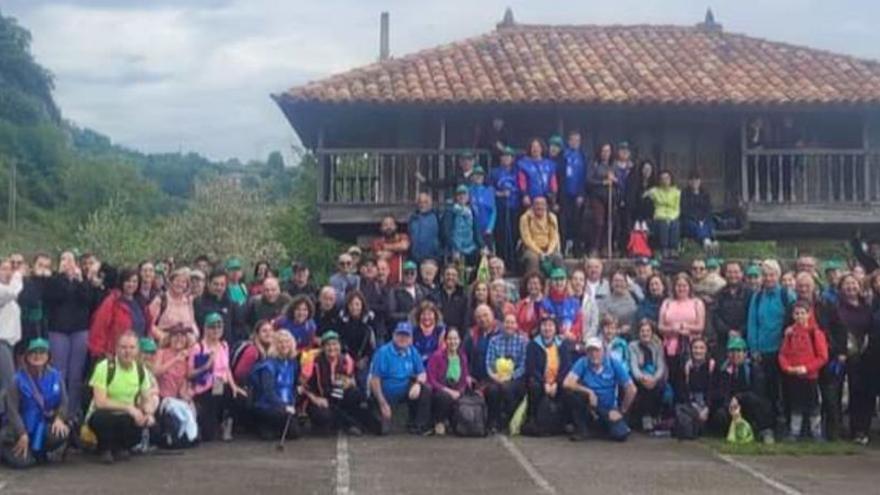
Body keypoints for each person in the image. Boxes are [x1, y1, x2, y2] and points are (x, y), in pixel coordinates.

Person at [87, 332, 157, 464]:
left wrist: (148, 413)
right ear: (116, 349)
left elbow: (146, 399)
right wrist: (128, 408)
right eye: (123, 347)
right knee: (103, 418)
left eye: (132, 348)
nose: (127, 352)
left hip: (126, 418)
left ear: (137, 350)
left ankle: (121, 447)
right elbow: (100, 402)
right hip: (105, 414)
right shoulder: (104, 367)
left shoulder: (141, 370)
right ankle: (105, 448)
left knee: (142, 422)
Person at [1, 338, 69, 468]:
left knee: (62, 431)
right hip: (16, 430)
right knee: (24, 463)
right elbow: (12, 411)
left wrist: (60, 418)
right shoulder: (17, 380)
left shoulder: (56, 376)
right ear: (27, 356)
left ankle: (38, 451)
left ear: (48, 356)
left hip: (41, 425)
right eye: (33, 352)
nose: (37, 356)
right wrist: (22, 433)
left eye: (42, 352)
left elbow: (64, 402)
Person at [44, 251, 97, 419]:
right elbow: (56, 296)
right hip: (58, 330)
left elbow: (88, 300)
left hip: (80, 330)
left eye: (71, 260)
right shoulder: (54, 280)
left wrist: (80, 280)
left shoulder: (83, 281)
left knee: (76, 375)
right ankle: (58, 410)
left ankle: (73, 412)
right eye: (64, 259)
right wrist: (61, 276)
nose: (67, 263)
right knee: (59, 373)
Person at [746, 259, 794, 429]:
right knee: (767, 391)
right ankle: (768, 425)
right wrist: (754, 349)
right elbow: (752, 324)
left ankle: (788, 424)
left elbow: (794, 320)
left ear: (778, 276)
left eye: (772, 274)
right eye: (765, 275)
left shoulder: (787, 295)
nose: (768, 278)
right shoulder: (757, 297)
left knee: (787, 389)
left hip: (783, 351)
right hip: (763, 351)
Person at [564, 337, 636, 442]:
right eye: (590, 351)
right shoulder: (583, 362)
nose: (594, 354)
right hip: (590, 406)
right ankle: (582, 429)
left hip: (609, 407)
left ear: (603, 351)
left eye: (597, 350)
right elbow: (567, 383)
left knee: (621, 434)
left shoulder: (613, 363)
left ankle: (599, 427)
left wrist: (621, 411)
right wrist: (589, 392)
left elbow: (631, 389)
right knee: (572, 394)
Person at [188, 312, 247, 442]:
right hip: (204, 389)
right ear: (206, 328)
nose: (216, 330)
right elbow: (189, 374)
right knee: (209, 436)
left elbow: (227, 369)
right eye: (212, 327)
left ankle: (227, 422)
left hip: (221, 385)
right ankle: (207, 421)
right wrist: (206, 367)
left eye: (219, 327)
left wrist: (234, 386)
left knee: (239, 396)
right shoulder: (199, 347)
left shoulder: (224, 345)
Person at [369, 322, 431, 435]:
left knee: (425, 389)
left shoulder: (413, 351)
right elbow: (375, 380)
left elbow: (422, 373)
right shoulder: (383, 352)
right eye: (400, 335)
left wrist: (417, 383)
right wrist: (382, 403)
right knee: (382, 431)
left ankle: (418, 426)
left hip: (405, 392)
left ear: (411, 338)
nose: (403, 338)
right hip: (384, 395)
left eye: (406, 335)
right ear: (394, 336)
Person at [778, 302, 828, 441]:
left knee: (813, 406)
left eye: (802, 313)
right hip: (793, 376)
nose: (800, 316)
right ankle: (794, 432)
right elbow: (783, 354)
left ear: (809, 314)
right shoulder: (789, 334)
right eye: (797, 313)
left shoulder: (816, 333)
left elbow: (822, 357)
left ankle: (816, 433)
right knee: (796, 405)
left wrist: (806, 368)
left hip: (810, 377)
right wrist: (787, 368)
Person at [712, 337, 775, 444]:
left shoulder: (754, 369)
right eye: (732, 351)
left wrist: (738, 397)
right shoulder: (724, 370)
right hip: (732, 408)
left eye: (738, 351)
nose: (735, 354)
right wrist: (730, 405)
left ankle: (765, 431)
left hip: (750, 405)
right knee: (720, 415)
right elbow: (720, 391)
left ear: (745, 353)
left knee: (758, 403)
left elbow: (758, 392)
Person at [303, 331, 367, 435]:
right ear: (322, 347)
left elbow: (352, 379)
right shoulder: (312, 361)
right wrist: (315, 399)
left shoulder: (346, 359)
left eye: (335, 344)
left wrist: (349, 382)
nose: (332, 348)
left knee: (355, 394)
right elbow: (302, 385)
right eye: (328, 345)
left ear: (340, 346)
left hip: (336, 394)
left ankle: (347, 422)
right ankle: (347, 424)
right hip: (318, 397)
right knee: (324, 416)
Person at [836, 274, 873, 445]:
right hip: (842, 357)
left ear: (859, 286)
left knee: (860, 394)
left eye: (854, 284)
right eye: (847, 284)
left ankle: (860, 430)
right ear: (841, 288)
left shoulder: (867, 306)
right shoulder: (837, 307)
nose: (851, 287)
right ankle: (838, 429)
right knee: (837, 393)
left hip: (863, 357)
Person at [658, 274, 706, 399]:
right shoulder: (667, 303)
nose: (681, 288)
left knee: (690, 380)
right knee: (674, 380)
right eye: (678, 286)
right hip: (670, 348)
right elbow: (660, 327)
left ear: (689, 287)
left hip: (692, 348)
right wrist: (673, 330)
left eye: (684, 285)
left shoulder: (697, 303)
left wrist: (686, 328)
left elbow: (700, 326)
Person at [523, 317, 573, 435]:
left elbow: (566, 367)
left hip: (557, 382)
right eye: (544, 325)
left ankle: (566, 422)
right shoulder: (533, 344)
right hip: (540, 381)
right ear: (540, 328)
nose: (547, 328)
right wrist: (544, 383)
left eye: (550, 325)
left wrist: (556, 383)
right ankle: (533, 420)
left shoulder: (562, 344)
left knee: (569, 390)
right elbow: (531, 367)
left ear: (555, 329)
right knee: (534, 387)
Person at [88, 269, 151, 359]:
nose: (131, 284)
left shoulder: (141, 303)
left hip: (137, 352)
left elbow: (148, 326)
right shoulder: (113, 301)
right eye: (128, 281)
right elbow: (100, 325)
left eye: (134, 281)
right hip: (115, 353)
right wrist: (101, 351)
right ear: (122, 282)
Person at [247, 331, 299, 441]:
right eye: (280, 342)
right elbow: (268, 392)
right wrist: (284, 406)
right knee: (278, 421)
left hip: (286, 406)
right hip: (267, 406)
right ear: (275, 345)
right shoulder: (268, 366)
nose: (284, 345)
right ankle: (261, 424)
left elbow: (293, 386)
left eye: (287, 342)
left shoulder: (292, 363)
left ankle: (274, 427)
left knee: (295, 433)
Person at [153, 324, 198, 448]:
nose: (179, 339)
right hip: (162, 398)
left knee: (189, 410)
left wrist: (187, 395)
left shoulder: (186, 358)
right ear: (170, 338)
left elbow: (184, 382)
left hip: (177, 399)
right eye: (175, 336)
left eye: (182, 336)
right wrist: (175, 359)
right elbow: (155, 372)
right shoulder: (161, 353)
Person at [484, 313, 528, 433]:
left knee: (507, 389)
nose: (509, 325)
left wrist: (510, 377)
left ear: (516, 325)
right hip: (496, 377)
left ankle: (507, 421)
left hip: (515, 378)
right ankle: (493, 421)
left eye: (512, 322)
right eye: (507, 322)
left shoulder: (523, 341)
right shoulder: (494, 340)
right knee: (492, 390)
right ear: (502, 325)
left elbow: (524, 365)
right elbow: (488, 363)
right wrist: (494, 376)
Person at [426, 328, 471, 436]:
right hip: (441, 389)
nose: (453, 342)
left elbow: (464, 379)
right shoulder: (437, 356)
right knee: (444, 397)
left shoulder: (462, 357)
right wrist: (448, 391)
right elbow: (431, 379)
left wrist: (459, 392)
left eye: (455, 339)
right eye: (450, 339)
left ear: (459, 340)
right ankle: (439, 422)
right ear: (445, 341)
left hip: (457, 389)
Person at [628, 320, 668, 433]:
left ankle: (654, 416)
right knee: (643, 388)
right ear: (638, 333)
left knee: (660, 386)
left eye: (648, 331)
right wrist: (642, 378)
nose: (645, 334)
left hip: (654, 376)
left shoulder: (657, 346)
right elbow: (633, 366)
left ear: (652, 333)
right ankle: (645, 417)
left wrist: (654, 379)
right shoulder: (632, 346)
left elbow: (661, 365)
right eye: (642, 331)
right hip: (640, 376)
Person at [712, 262, 751, 361]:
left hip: (745, 340)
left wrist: (740, 331)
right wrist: (728, 331)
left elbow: (752, 316)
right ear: (725, 274)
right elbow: (715, 316)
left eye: (736, 272)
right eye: (730, 272)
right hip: (723, 341)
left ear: (742, 274)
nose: (733, 275)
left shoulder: (750, 293)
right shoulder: (719, 294)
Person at [490, 146, 522, 268]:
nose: (506, 159)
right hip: (500, 208)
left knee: (514, 235)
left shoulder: (517, 172)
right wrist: (500, 193)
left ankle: (513, 263)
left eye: (508, 156)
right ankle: (501, 263)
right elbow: (489, 189)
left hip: (514, 207)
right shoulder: (494, 172)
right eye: (504, 156)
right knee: (500, 236)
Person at [559, 130, 588, 257]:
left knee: (578, 223)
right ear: (568, 141)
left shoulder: (583, 156)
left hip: (578, 195)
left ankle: (577, 250)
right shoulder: (563, 155)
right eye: (573, 140)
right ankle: (563, 248)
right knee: (564, 222)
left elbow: (585, 177)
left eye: (578, 140)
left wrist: (581, 194)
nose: (575, 142)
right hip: (565, 194)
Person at [338, 291, 376, 384]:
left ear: (362, 305)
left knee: (362, 381)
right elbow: (340, 342)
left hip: (363, 359)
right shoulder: (342, 322)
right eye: (351, 304)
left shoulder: (369, 323)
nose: (354, 307)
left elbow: (372, 345)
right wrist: (347, 357)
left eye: (357, 304)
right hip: (346, 359)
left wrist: (365, 359)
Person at [193, 269, 242, 343]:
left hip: (226, 349)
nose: (219, 288)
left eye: (222, 285)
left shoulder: (231, 304)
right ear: (208, 283)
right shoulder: (198, 303)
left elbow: (237, 328)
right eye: (216, 284)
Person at [151, 267, 198, 342]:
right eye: (177, 281)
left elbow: (192, 322)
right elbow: (150, 324)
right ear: (171, 282)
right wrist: (163, 338)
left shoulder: (188, 301)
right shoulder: (161, 300)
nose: (180, 284)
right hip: (166, 343)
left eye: (183, 282)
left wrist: (195, 335)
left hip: (186, 344)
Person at [643, 170, 682, 258]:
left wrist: (671, 217)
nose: (665, 181)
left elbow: (677, 208)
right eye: (663, 179)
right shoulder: (655, 191)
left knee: (675, 224)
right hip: (659, 216)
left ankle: (673, 250)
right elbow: (644, 196)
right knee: (663, 224)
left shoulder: (676, 192)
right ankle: (663, 249)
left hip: (673, 216)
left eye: (667, 178)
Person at [519, 196, 562, 274]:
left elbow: (554, 237)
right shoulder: (525, 218)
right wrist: (540, 252)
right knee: (533, 259)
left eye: (542, 204)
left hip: (549, 248)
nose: (540, 207)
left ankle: (558, 281)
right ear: (532, 206)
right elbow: (526, 239)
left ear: (546, 206)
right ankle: (534, 284)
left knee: (557, 257)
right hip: (531, 249)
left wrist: (549, 252)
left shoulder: (552, 217)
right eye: (537, 204)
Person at [586, 142, 615, 256]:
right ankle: (595, 247)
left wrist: (615, 180)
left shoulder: (613, 165)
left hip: (611, 197)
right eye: (603, 151)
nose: (605, 154)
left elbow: (620, 182)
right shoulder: (594, 165)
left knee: (610, 223)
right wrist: (603, 182)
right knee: (599, 222)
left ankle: (606, 247)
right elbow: (589, 180)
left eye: (608, 151)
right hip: (597, 197)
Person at [0, 258, 23, 394]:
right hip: (1, 341)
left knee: (5, 382)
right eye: (4, 269)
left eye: (10, 269)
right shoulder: (4, 291)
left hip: (10, 342)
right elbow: (13, 292)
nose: (8, 272)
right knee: (9, 382)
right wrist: (18, 275)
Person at [541, 268, 583, 342]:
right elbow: (546, 324)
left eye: (561, 279)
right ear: (550, 282)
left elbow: (579, 322)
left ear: (566, 282)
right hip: (552, 341)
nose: (559, 282)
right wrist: (563, 333)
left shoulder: (575, 302)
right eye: (556, 279)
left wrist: (572, 333)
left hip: (572, 339)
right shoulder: (545, 303)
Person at [444, 185, 481, 266]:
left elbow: (476, 231)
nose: (462, 197)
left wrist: (482, 246)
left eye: (464, 194)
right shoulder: (450, 211)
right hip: (455, 250)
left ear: (468, 197)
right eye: (459, 194)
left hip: (471, 248)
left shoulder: (472, 211)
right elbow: (446, 232)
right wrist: (453, 249)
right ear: (456, 197)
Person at [681, 171, 718, 251]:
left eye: (697, 180)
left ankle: (708, 241)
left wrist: (703, 219)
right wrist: (697, 220)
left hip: (704, 218)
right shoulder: (684, 194)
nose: (695, 182)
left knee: (708, 224)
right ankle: (707, 241)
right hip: (690, 219)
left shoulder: (705, 194)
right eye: (692, 180)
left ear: (700, 181)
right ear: (689, 182)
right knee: (695, 225)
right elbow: (685, 210)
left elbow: (708, 209)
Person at [517, 138, 558, 209]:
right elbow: (522, 181)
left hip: (546, 200)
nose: (535, 149)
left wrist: (554, 197)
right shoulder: (523, 164)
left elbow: (553, 181)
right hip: (530, 200)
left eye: (538, 147)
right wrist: (524, 195)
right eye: (533, 147)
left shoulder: (549, 164)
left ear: (542, 149)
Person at [232, 320, 275, 386]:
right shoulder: (252, 351)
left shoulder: (270, 350)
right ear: (257, 334)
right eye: (264, 331)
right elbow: (239, 374)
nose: (268, 334)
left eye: (270, 330)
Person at [372, 216, 411, 286]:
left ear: (396, 226)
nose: (388, 227)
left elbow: (404, 246)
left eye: (391, 224)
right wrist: (398, 249)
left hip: (400, 281)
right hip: (384, 282)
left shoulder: (402, 237)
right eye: (385, 225)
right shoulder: (377, 242)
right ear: (381, 228)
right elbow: (381, 255)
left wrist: (386, 247)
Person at [387, 261, 426, 328]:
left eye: (412, 273)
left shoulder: (423, 291)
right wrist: (409, 315)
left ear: (416, 274)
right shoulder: (394, 291)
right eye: (406, 273)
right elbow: (390, 314)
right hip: (402, 328)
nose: (409, 275)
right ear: (402, 274)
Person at [598, 271, 639, 336]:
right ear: (611, 283)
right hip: (613, 335)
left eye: (621, 281)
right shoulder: (605, 301)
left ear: (626, 283)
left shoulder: (635, 297)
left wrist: (630, 327)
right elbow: (602, 323)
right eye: (616, 281)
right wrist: (618, 330)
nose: (619, 283)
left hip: (633, 334)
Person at [408, 193, 443, 264]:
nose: (422, 204)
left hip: (433, 258)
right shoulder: (413, 218)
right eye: (420, 202)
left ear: (430, 203)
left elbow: (443, 235)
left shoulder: (436, 216)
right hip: (415, 258)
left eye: (425, 202)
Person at [469, 166, 496, 250]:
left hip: (485, 229)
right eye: (476, 175)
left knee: (487, 254)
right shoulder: (468, 190)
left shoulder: (488, 191)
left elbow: (493, 211)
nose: (478, 177)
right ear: (472, 177)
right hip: (471, 229)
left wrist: (490, 228)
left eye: (480, 175)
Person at [626, 160, 657, 232]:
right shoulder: (635, 182)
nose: (647, 171)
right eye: (645, 169)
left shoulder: (655, 184)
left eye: (649, 169)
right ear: (641, 170)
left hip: (650, 213)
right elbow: (631, 199)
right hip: (636, 211)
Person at [437, 265, 467, 333]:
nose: (450, 277)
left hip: (457, 337)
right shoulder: (434, 295)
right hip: (439, 335)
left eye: (453, 275)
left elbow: (465, 319)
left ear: (457, 278)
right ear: (443, 276)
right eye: (448, 274)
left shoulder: (463, 296)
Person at [515, 272, 545, 337]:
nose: (533, 286)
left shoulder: (547, 303)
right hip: (522, 338)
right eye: (530, 283)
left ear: (541, 286)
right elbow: (516, 321)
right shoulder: (520, 304)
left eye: (535, 283)